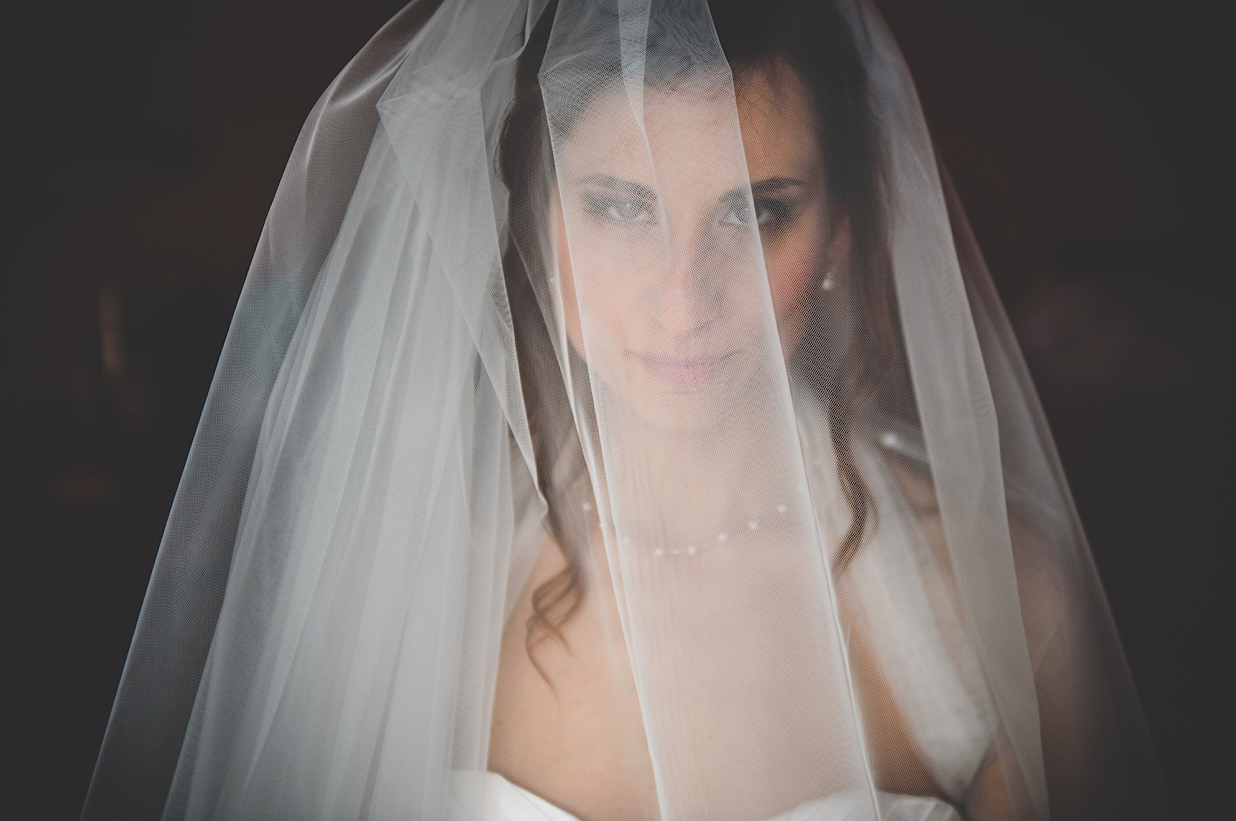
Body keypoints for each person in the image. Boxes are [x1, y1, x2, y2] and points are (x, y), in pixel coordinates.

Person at [81, 1, 1169, 819]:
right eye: (619, 207)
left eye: (756, 212)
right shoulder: (399, 577)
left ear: (839, 233)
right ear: (531, 223)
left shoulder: (999, 599)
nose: (684, 301)